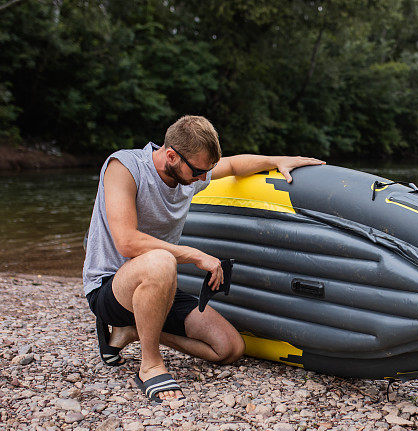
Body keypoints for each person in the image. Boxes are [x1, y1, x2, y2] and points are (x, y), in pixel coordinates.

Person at [82, 115, 324, 403]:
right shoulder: (123, 167)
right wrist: (197, 255)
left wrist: (280, 160)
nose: (202, 179)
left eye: (206, 171)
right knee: (160, 260)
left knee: (229, 348)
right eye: (198, 171)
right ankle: (150, 365)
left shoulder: (190, 170)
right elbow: (127, 241)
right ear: (171, 155)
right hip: (111, 289)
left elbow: (233, 165)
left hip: (159, 288)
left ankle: (134, 330)